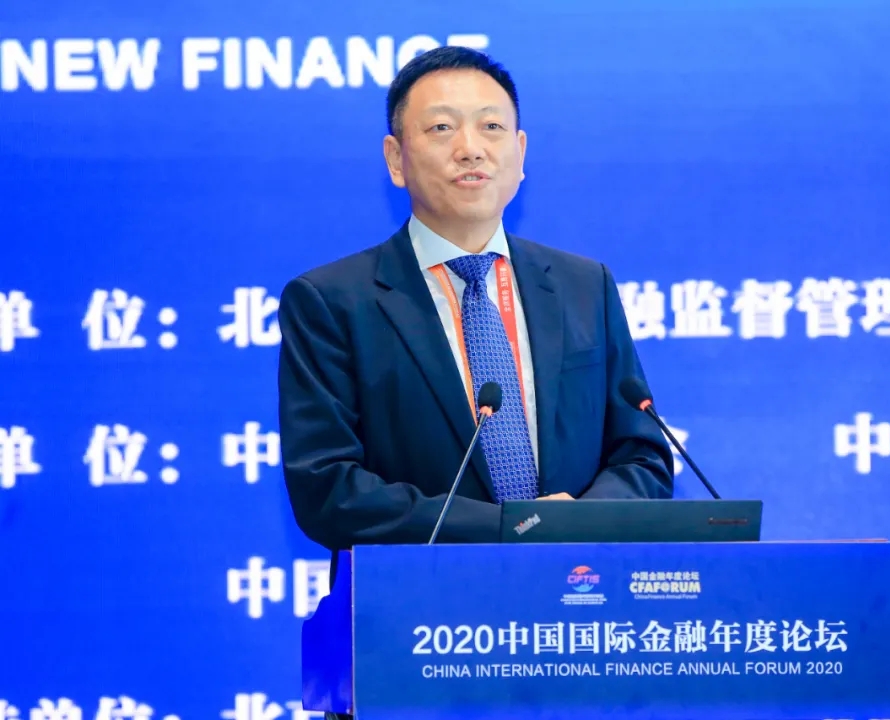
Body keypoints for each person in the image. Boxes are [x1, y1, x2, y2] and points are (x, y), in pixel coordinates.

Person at [277, 46, 673, 555]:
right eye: (442, 128)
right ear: (396, 159)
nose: (470, 149)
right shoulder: (332, 302)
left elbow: (642, 457)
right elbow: (329, 490)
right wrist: (514, 527)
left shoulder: (583, 285)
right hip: (420, 598)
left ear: (520, 153)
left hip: (578, 589)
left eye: (491, 127)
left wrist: (578, 522)